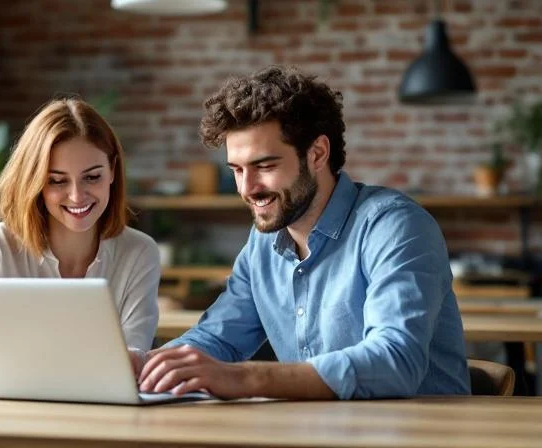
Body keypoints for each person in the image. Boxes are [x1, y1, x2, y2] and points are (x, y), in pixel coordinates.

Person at [136, 65, 471, 400]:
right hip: (318, 431)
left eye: (265, 166)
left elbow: (395, 361)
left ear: (317, 154)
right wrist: (142, 366)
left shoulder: (395, 227)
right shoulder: (263, 243)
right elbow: (218, 340)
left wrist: (245, 378)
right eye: (237, 170)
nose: (247, 188)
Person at [0, 98, 161, 386]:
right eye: (57, 181)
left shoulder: (139, 252)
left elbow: (131, 360)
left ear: (112, 170)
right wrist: (22, 379)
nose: (77, 196)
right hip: (11, 416)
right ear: (35, 182)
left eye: (92, 177)